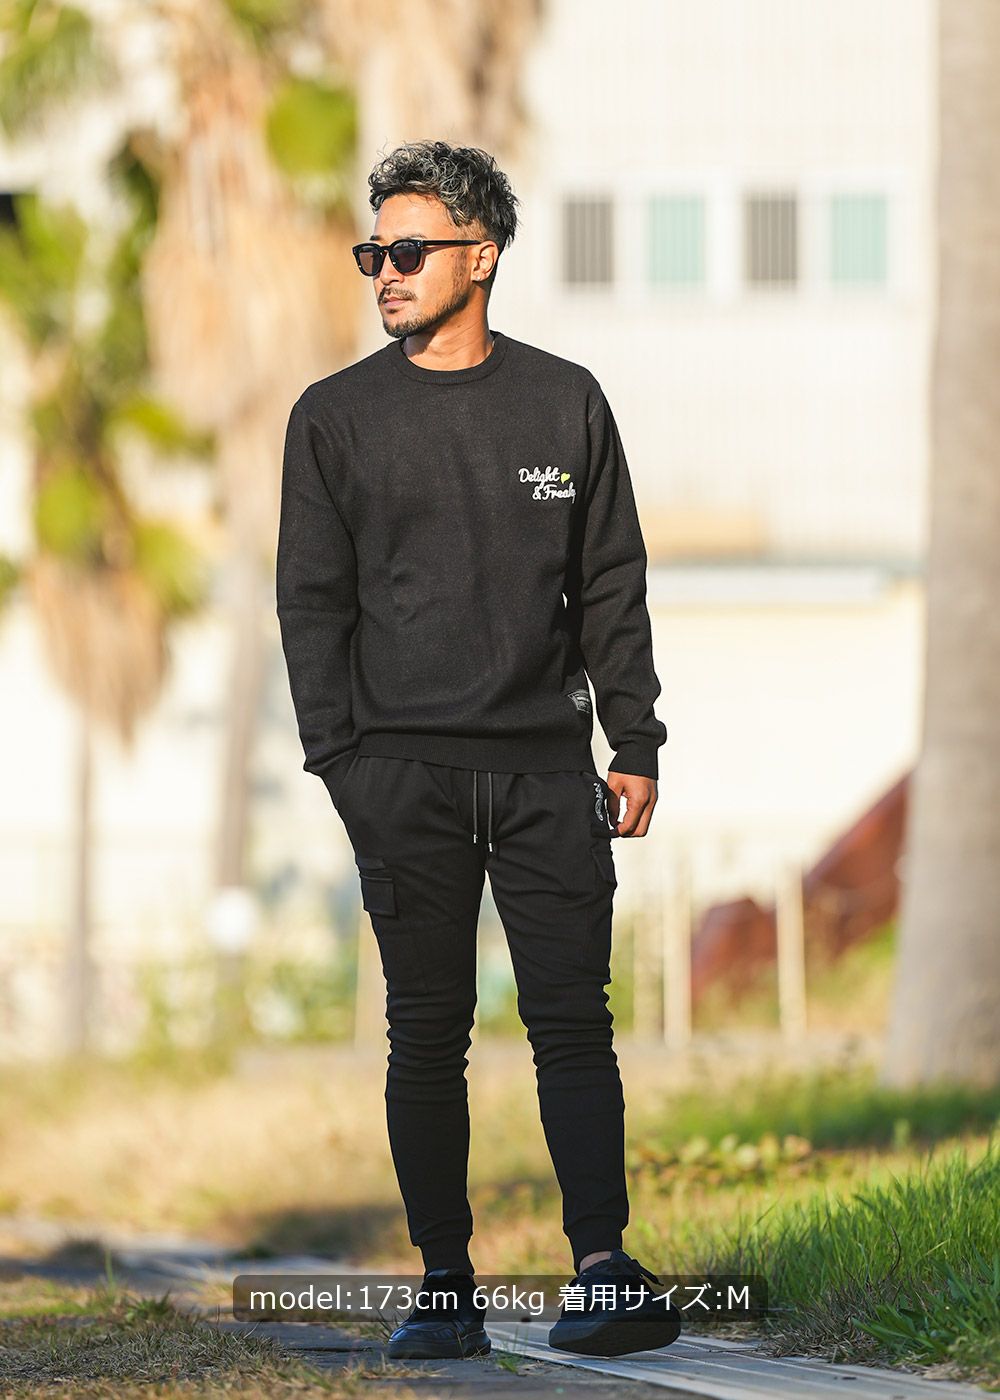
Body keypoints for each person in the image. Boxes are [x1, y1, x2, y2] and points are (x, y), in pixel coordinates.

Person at [276, 139, 680, 1361]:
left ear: (482, 255)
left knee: (572, 1021)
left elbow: (608, 583)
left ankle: (603, 1268)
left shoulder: (565, 402)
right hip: (401, 773)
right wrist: (343, 763)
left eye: (409, 250)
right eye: (374, 253)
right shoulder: (334, 418)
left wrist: (634, 734)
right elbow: (311, 605)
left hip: (548, 770)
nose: (386, 273)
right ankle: (445, 1285)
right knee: (425, 1030)